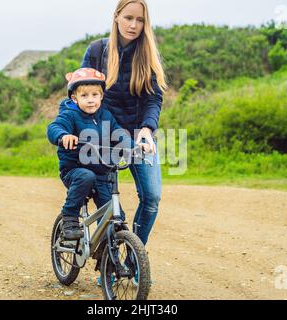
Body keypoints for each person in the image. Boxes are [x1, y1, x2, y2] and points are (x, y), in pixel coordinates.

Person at [81, 0, 167, 246]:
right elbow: (82, 93)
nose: (134, 25)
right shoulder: (97, 51)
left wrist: (148, 130)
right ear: (116, 16)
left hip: (139, 134)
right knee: (109, 206)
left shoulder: (148, 53)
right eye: (129, 18)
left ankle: (132, 258)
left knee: (151, 197)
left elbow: (153, 98)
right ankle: (109, 263)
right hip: (103, 135)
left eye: (140, 20)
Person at [47, 67, 149, 240]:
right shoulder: (69, 114)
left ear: (101, 96)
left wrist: (133, 147)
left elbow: (119, 135)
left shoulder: (106, 116)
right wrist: (63, 136)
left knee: (116, 217)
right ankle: (69, 218)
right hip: (75, 170)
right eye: (84, 96)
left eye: (95, 95)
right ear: (74, 98)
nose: (90, 100)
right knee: (86, 176)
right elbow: (54, 128)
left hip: (102, 173)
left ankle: (107, 250)